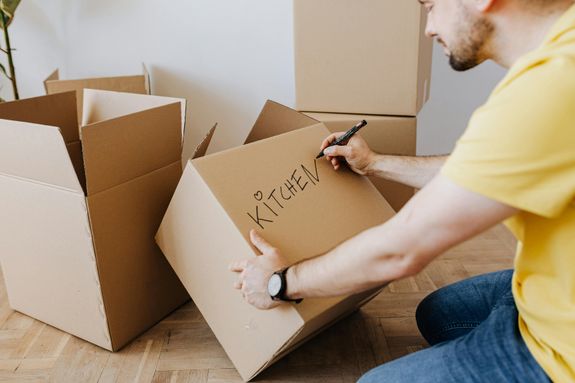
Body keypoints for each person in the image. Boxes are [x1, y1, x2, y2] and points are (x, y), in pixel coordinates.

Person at [229, 0, 575, 381]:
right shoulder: (561, 54)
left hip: (564, 348)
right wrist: (373, 163)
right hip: (554, 282)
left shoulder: (552, 85)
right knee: (439, 314)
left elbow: (401, 250)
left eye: (430, 6)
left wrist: (280, 282)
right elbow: (477, 173)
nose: (428, 28)